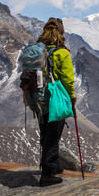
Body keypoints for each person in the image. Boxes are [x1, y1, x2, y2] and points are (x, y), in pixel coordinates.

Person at [36, 18, 77, 187]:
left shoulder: (38, 50)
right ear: (60, 31)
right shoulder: (62, 53)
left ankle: (54, 165)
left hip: (39, 98)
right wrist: (72, 98)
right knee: (54, 134)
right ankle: (47, 174)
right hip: (56, 99)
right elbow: (67, 79)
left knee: (46, 132)